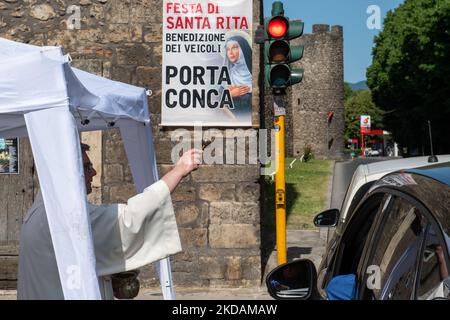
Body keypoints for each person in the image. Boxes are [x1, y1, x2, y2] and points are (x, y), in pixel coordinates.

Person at [17, 143, 202, 300]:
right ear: (69, 173)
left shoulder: (43, 208)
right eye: (87, 167)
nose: (94, 172)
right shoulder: (65, 215)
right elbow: (129, 218)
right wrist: (179, 170)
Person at [222, 36, 252, 120]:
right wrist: (230, 94)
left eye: (234, 47)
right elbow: (217, 106)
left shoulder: (254, 72)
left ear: (243, 49)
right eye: (228, 49)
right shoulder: (228, 75)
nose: (230, 52)